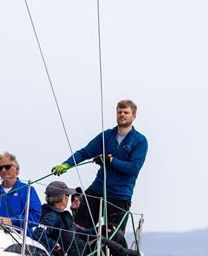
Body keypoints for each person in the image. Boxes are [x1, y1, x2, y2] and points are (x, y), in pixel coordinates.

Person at [51, 99, 148, 231]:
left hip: (120, 195)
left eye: (126, 112)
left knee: (113, 236)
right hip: (98, 189)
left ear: (133, 116)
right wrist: (66, 164)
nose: (122, 115)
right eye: (119, 112)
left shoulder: (140, 141)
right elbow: (85, 152)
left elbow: (133, 168)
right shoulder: (107, 135)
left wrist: (111, 161)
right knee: (78, 229)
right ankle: (78, 250)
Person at [0, 151, 41, 236]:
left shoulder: (28, 190)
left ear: (17, 169)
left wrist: (12, 221)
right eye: (0, 168)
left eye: (7, 167)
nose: (3, 170)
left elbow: (35, 217)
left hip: (20, 241)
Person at [34, 181, 95, 256]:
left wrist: (101, 229)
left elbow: (81, 232)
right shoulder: (52, 216)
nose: (68, 198)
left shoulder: (61, 215)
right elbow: (38, 233)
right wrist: (57, 247)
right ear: (63, 198)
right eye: (68, 195)